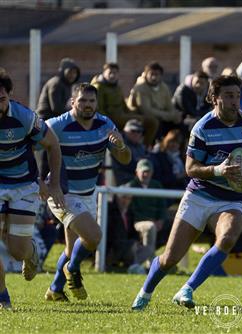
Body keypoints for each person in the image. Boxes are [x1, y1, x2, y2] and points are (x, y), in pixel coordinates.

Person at [131, 75, 242, 311]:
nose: (235, 102)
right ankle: (145, 292)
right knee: (170, 257)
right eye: (229, 96)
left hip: (233, 199)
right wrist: (219, 170)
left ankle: (187, 288)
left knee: (228, 238)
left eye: (237, 96)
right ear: (214, 98)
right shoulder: (203, 127)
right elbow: (191, 169)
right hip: (200, 195)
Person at [44, 83, 131, 302]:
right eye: (82, 100)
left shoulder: (105, 125)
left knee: (72, 248)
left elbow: (126, 159)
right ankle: (72, 269)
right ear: (73, 102)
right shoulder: (57, 125)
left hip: (88, 193)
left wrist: (120, 146)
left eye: (92, 101)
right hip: (62, 193)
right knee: (94, 237)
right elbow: (32, 143)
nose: (87, 105)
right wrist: (43, 181)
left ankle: (55, 289)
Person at [0, 72, 64, 309]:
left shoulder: (25, 117)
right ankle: (2, 296)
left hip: (24, 185)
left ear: (9, 96)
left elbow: (53, 144)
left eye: (1, 98)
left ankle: (31, 252)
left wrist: (53, 183)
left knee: (17, 250)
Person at [127, 62, 182, 146]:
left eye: (157, 74)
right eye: (151, 74)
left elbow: (169, 107)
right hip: (140, 117)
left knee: (181, 124)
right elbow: (146, 111)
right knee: (156, 123)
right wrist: (169, 116)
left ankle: (177, 152)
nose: (154, 77)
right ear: (146, 74)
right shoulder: (140, 87)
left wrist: (174, 115)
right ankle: (149, 149)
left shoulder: (164, 87)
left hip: (161, 117)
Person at [126, 159, 167, 270]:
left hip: (156, 222)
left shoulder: (157, 185)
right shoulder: (131, 186)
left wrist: (161, 220)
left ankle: (162, 264)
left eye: (148, 171)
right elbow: (130, 210)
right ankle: (135, 264)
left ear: (152, 172)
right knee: (150, 226)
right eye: (143, 171)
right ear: (136, 172)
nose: (145, 174)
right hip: (137, 222)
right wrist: (151, 221)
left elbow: (162, 206)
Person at [91, 62, 130, 129]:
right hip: (110, 118)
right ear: (104, 73)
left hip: (121, 115)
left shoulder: (117, 86)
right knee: (148, 122)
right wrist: (107, 121)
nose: (112, 75)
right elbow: (98, 108)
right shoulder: (99, 87)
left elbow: (123, 105)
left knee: (140, 120)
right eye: (110, 73)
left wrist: (131, 113)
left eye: (115, 73)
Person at [111, 119, 149, 185]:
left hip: (139, 179)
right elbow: (126, 164)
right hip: (123, 180)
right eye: (133, 131)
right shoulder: (118, 144)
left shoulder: (141, 147)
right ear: (125, 131)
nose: (136, 134)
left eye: (139, 131)